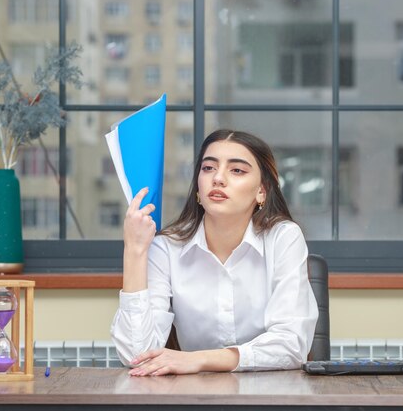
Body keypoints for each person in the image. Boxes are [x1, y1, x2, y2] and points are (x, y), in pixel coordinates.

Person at [111, 129, 318, 376]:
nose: (218, 178)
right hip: (191, 395)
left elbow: (292, 344)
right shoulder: (166, 247)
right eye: (208, 168)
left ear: (261, 191)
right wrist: (135, 251)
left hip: (269, 393)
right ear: (198, 187)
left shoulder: (283, 237)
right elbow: (137, 355)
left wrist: (199, 360)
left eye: (237, 170)